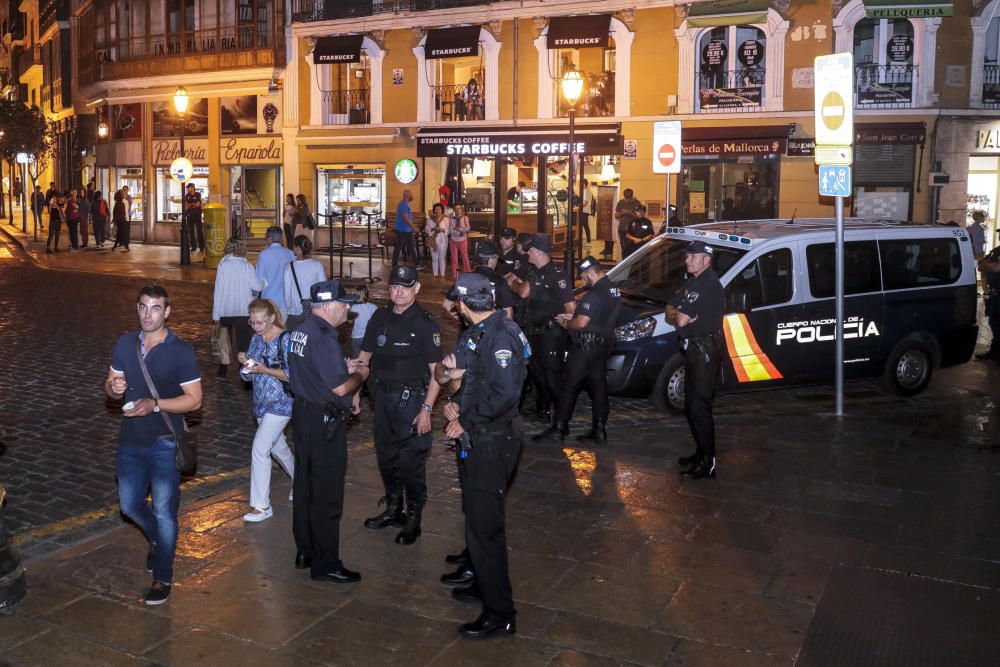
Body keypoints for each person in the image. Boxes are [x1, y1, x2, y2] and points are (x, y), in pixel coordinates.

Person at [435, 272, 529, 639]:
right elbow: (472, 377)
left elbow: (504, 394)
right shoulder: (480, 332)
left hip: (492, 439)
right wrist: (457, 401)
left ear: (462, 304)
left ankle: (500, 613)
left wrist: (466, 420)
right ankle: (482, 583)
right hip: (479, 436)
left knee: (486, 529)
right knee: (476, 521)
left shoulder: (501, 335)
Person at [105, 284, 203, 605]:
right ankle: (159, 542)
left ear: (167, 312)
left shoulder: (181, 351)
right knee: (129, 505)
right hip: (130, 440)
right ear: (137, 309)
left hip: (165, 442)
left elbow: (194, 400)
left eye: (156, 308)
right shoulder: (125, 343)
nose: (148, 314)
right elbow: (110, 386)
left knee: (164, 511)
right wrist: (114, 388)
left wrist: (156, 404)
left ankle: (163, 577)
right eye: (143, 307)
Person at [287, 279, 368, 583]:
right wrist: (360, 375)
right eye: (344, 304)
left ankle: (305, 550)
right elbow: (340, 388)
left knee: (305, 486)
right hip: (324, 423)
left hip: (304, 416)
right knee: (327, 493)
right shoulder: (323, 338)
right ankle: (326, 563)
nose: (348, 309)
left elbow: (312, 371)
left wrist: (341, 368)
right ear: (328, 306)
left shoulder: (300, 329)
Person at [358, 265, 443, 545]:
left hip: (412, 401)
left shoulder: (425, 323)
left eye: (405, 288)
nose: (398, 293)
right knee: (386, 457)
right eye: (394, 287)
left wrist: (427, 409)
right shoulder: (379, 317)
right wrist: (355, 391)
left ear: (416, 289)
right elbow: (364, 358)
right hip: (382, 399)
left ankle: (413, 519)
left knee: (411, 462)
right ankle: (394, 509)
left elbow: (437, 373)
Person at [539, 256, 621, 442]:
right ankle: (599, 429)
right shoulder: (614, 289)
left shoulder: (594, 294)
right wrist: (576, 316)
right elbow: (599, 316)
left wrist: (566, 323)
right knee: (598, 385)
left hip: (587, 347)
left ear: (590, 273)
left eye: (583, 277)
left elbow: (582, 323)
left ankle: (559, 428)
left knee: (568, 385)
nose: (583, 281)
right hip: (604, 344)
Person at [667, 241, 725, 480]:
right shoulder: (693, 282)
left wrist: (679, 316)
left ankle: (708, 461)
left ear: (706, 260)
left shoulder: (707, 285)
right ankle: (701, 453)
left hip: (705, 351)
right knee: (691, 405)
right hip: (694, 350)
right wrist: (677, 314)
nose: (687, 260)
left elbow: (680, 320)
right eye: (687, 256)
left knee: (699, 406)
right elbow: (671, 308)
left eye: (693, 256)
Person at [237, 298, 295, 522]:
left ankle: (261, 506)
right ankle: (303, 481)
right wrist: (246, 365)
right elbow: (249, 374)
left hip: (281, 403)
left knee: (260, 449)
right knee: (279, 448)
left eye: (260, 322)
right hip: (260, 403)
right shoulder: (256, 338)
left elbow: (293, 375)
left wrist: (265, 370)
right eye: (252, 322)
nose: (256, 326)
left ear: (272, 318)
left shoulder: (286, 339)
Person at [510, 233, 575, 423]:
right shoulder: (536, 271)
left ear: (538, 252)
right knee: (538, 373)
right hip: (534, 332)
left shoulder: (557, 274)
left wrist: (567, 322)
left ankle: (561, 420)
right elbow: (526, 293)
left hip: (551, 334)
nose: (527, 253)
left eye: (530, 250)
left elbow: (571, 307)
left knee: (552, 375)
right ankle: (543, 410)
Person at [213, 237, 266, 379]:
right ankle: (243, 367)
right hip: (243, 309)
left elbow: (218, 290)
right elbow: (256, 286)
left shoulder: (223, 265)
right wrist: (264, 282)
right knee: (243, 340)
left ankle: (223, 368)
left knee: (224, 340)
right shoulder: (246, 265)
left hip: (226, 309)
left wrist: (216, 314)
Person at [445, 240, 515, 320]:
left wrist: (464, 319)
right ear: (491, 260)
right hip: (491, 326)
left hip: (471, 327)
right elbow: (509, 315)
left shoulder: (463, 279)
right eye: (496, 259)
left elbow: (447, 304)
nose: (497, 262)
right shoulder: (500, 282)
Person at [283, 235, 327, 322]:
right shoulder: (317, 265)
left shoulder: (289, 267)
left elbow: (287, 293)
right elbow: (323, 288)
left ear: (298, 248)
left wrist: (289, 308)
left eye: (294, 246)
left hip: (296, 310)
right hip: (315, 310)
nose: (292, 248)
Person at [256, 226, 295, 318]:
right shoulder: (289, 253)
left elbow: (259, 277)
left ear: (270, 239)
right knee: (283, 326)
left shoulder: (264, 254)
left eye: (266, 237)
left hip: (269, 299)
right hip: (286, 300)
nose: (265, 239)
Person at [975, 246, 1000, 363]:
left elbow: (997, 267)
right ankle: (994, 352)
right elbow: (980, 266)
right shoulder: (996, 251)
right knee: (994, 323)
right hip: (995, 295)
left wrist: (989, 266)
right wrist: (989, 265)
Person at [349, 285, 377, 358]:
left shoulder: (354, 307)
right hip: (369, 337)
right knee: (366, 359)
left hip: (357, 336)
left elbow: (350, 322)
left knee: (356, 357)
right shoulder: (373, 306)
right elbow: (376, 322)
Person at [613, 188, 642, 260]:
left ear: (632, 196)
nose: (627, 200)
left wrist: (630, 213)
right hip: (622, 229)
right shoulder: (621, 202)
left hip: (633, 230)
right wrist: (621, 213)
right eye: (626, 198)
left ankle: (632, 263)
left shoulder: (637, 203)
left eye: (629, 198)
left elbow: (640, 216)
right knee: (624, 247)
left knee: (632, 248)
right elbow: (616, 216)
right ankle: (625, 263)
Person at [393, 189, 419, 268]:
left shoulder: (405, 204)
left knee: (411, 247)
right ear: (408, 195)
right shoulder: (403, 204)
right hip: (402, 230)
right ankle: (394, 265)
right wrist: (413, 227)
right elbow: (405, 218)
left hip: (407, 230)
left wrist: (411, 228)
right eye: (411, 194)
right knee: (399, 248)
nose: (412, 196)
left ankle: (416, 264)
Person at [425, 202, 450, 277]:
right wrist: (433, 228)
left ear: (442, 210)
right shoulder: (430, 220)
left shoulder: (446, 219)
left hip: (443, 240)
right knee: (434, 258)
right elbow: (426, 229)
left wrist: (442, 229)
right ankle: (435, 274)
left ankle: (442, 274)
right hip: (433, 241)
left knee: (442, 257)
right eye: (436, 209)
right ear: (434, 210)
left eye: (439, 209)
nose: (437, 211)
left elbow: (449, 230)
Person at [450, 202, 472, 277]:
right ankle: (455, 274)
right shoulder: (451, 219)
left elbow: (468, 228)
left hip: (463, 240)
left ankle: (468, 273)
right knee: (454, 258)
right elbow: (451, 231)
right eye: (456, 209)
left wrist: (459, 229)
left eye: (459, 208)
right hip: (453, 240)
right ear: (454, 210)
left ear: (461, 209)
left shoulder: (465, 218)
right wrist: (461, 230)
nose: (457, 210)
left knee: (465, 257)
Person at [184, 183, 205, 254]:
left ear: (193, 188)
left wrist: (191, 205)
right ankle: (193, 246)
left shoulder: (197, 194)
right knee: (191, 231)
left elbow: (198, 204)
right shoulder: (187, 195)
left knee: (199, 231)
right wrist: (193, 204)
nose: (188, 189)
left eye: (189, 188)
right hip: (189, 215)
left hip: (197, 215)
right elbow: (187, 205)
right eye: (187, 188)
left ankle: (201, 246)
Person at [45, 187, 65, 253]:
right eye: (53, 199)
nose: (54, 200)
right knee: (51, 235)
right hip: (52, 222)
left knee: (57, 235)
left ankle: (56, 247)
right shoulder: (51, 207)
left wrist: (57, 205)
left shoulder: (58, 205)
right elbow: (49, 212)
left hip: (58, 222)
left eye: (55, 199)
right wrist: (50, 205)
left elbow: (60, 210)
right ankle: (48, 247)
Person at [579, 179, 594, 245]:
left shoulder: (586, 191)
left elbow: (585, 203)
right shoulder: (587, 191)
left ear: (584, 184)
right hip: (585, 211)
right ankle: (588, 241)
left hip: (584, 211)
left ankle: (588, 241)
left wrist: (579, 207)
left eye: (581, 184)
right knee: (585, 226)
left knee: (583, 226)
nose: (580, 185)